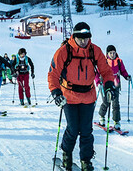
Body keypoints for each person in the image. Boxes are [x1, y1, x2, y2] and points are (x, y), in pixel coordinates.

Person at [48, 22, 115, 171]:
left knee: (86, 131)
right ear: (74, 36)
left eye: (86, 38)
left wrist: (109, 86)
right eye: (80, 38)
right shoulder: (64, 51)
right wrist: (56, 92)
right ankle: (67, 155)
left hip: (88, 96)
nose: (84, 41)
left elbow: (106, 71)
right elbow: (53, 73)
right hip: (69, 96)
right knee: (73, 129)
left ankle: (86, 162)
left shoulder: (94, 51)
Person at [95, 45, 131, 131]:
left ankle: (116, 122)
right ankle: (102, 117)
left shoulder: (119, 61)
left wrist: (126, 77)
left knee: (115, 104)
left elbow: (123, 71)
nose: (112, 54)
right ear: (107, 53)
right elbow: (97, 73)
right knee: (106, 102)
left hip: (116, 85)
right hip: (105, 85)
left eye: (114, 53)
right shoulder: (103, 61)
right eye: (110, 53)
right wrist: (97, 82)